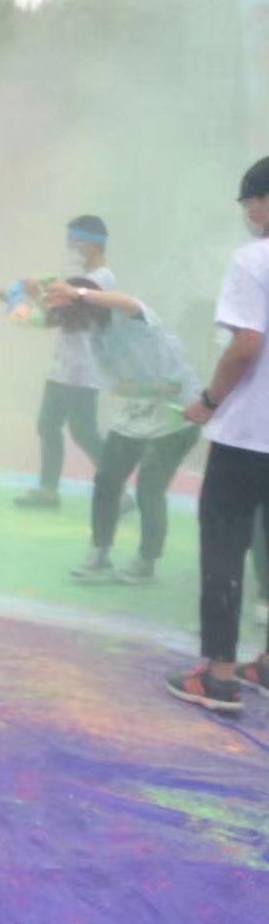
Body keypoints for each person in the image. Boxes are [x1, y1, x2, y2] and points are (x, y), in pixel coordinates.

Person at [169, 157, 269, 713]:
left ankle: (220, 674)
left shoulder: (254, 259)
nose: (248, 215)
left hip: (249, 436)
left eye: (249, 203)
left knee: (225, 549)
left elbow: (247, 344)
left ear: (263, 200)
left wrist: (209, 401)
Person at [37, 280, 201, 584]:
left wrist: (79, 293)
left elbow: (130, 303)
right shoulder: (95, 339)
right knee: (107, 481)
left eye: (79, 316)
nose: (77, 328)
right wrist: (155, 387)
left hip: (179, 414)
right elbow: (117, 386)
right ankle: (99, 553)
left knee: (150, 489)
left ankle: (146, 560)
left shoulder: (130, 317)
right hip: (135, 413)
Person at [15, 216, 115, 509]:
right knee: (47, 425)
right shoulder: (74, 278)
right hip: (61, 368)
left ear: (93, 244)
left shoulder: (102, 280)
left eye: (75, 242)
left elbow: (68, 318)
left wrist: (37, 297)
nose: (70, 248)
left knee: (83, 432)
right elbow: (54, 318)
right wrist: (31, 303)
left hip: (83, 371)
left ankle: (116, 488)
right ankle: (48, 490)